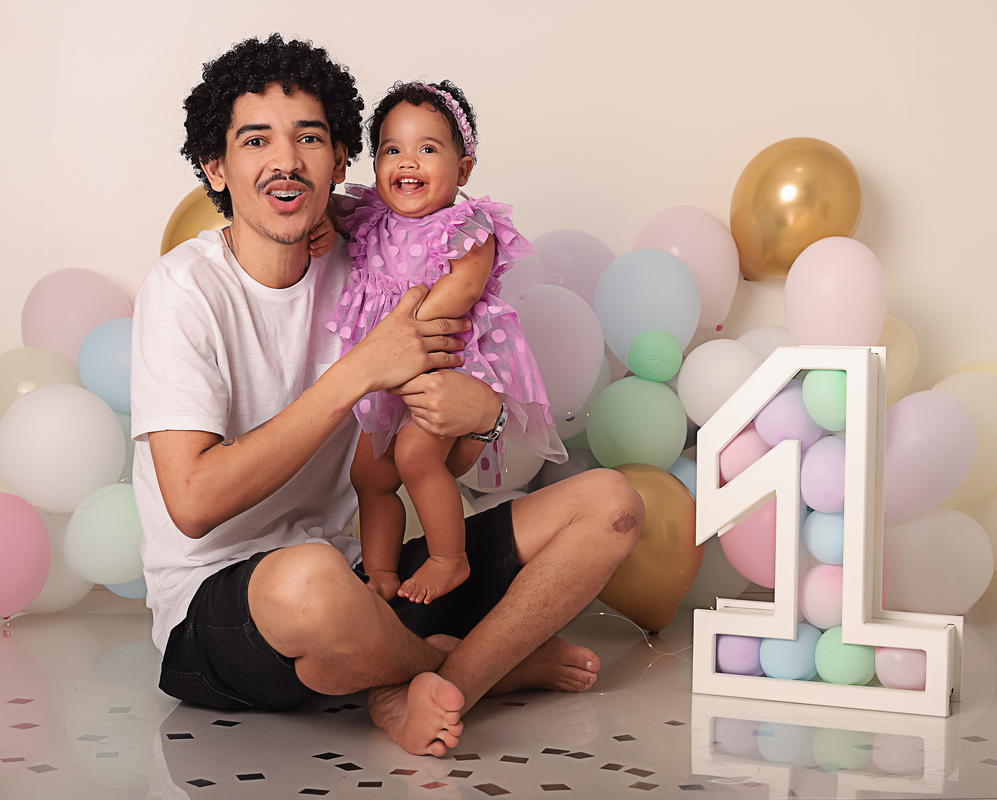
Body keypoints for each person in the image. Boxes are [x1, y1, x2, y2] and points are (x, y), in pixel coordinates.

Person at [130, 34, 644, 757]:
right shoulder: (182, 290)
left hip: (364, 582)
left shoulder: (376, 256)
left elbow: (435, 458)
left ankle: (432, 681)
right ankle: (476, 666)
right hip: (225, 609)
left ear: (342, 160)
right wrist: (359, 370)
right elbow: (192, 502)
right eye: (256, 140)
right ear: (216, 166)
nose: (286, 161)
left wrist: (486, 418)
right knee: (310, 583)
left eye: (310, 138)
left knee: (611, 504)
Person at [332, 80, 565, 606]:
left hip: (444, 360)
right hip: (386, 368)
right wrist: (326, 226)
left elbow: (462, 288)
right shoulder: (372, 218)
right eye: (391, 149)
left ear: (462, 169)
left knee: (415, 456)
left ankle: (448, 558)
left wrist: (408, 331)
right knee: (368, 473)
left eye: (427, 149)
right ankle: (381, 570)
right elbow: (325, 211)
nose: (407, 162)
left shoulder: (466, 225)